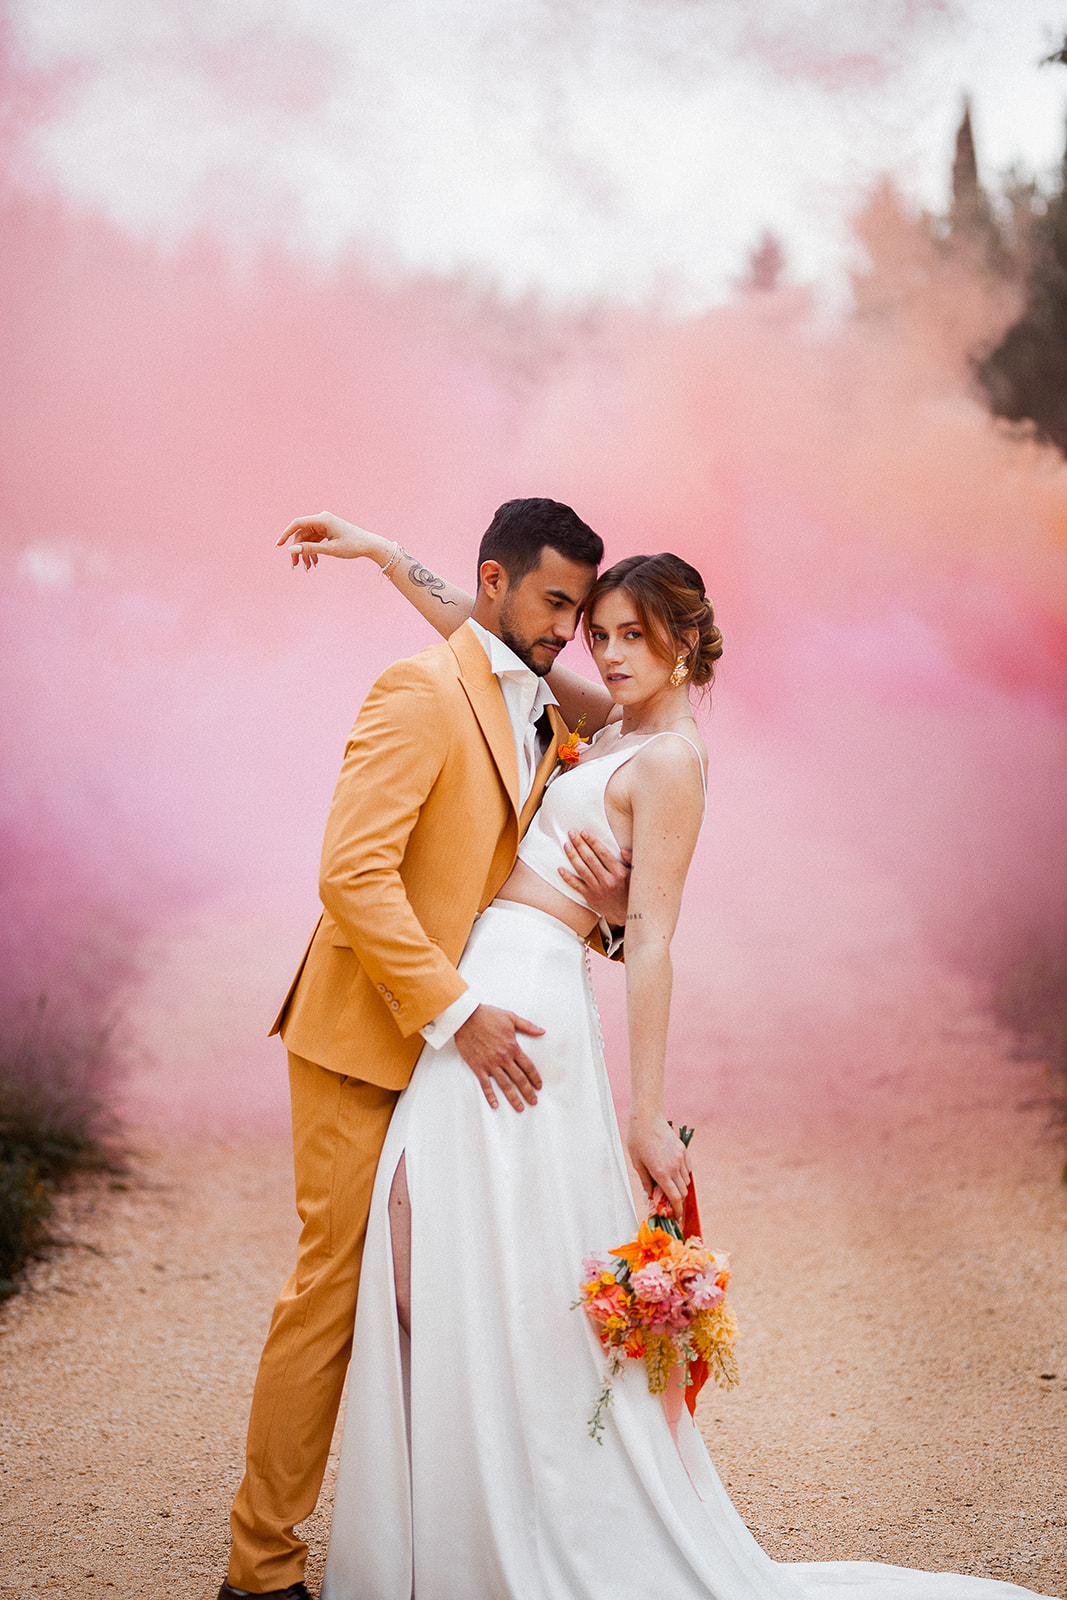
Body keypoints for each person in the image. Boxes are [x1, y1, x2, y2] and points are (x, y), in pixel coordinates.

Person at [283, 520, 1051, 1600]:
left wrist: (647, 1112)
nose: (606, 653)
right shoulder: (601, 726)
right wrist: (374, 551)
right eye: (598, 632)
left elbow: (649, 939)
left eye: (632, 636)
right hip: (485, 977)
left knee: (438, 1230)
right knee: (429, 1235)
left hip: (529, 992)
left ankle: (519, 1505)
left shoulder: (674, 760)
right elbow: (483, 629)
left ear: (686, 646)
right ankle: (468, 1495)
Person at [219, 500, 634, 1600]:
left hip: (458, 1052)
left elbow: (526, 862)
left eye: (581, 610)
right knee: (334, 1292)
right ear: (495, 580)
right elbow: (349, 874)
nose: (569, 629)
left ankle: (429, 1542)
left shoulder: (542, 700)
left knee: (443, 1301)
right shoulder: (416, 692)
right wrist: (457, 1009)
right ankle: (256, 1573)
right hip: (374, 1035)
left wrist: (613, 912)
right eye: (553, 603)